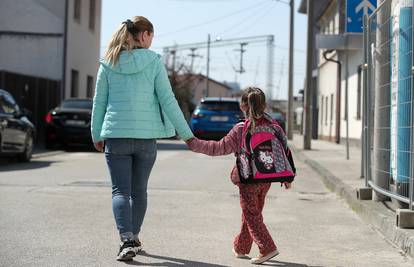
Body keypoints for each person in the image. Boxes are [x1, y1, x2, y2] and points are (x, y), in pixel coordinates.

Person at [91, 16, 194, 261]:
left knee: (119, 192)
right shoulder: (154, 62)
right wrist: (187, 135)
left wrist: (96, 134)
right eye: (152, 36)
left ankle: (127, 239)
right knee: (139, 192)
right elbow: (168, 101)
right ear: (144, 35)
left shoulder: (108, 63)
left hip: (116, 137)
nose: (152, 41)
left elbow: (99, 103)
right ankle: (133, 238)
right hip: (146, 139)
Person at [186, 87, 292, 265]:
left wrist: (193, 143)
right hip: (266, 178)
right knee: (252, 213)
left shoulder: (241, 129)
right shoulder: (274, 126)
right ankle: (241, 247)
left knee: (251, 214)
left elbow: (218, 148)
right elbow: (284, 151)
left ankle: (267, 248)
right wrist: (287, 177)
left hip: (248, 178)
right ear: (264, 105)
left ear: (243, 106)